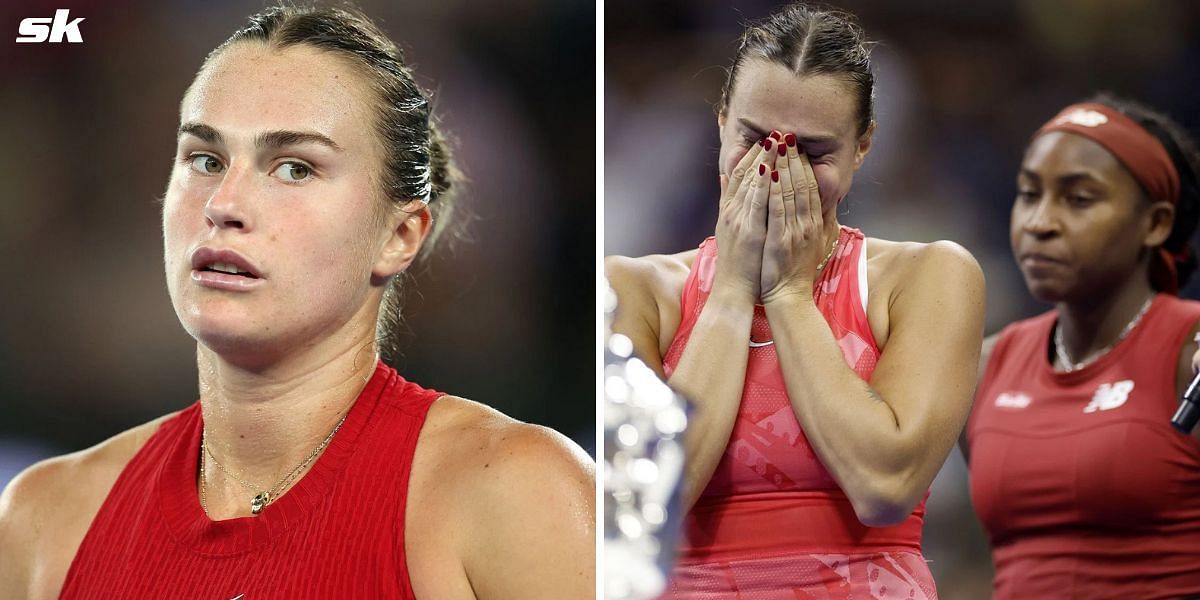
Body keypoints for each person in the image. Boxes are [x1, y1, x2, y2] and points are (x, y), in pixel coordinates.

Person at [0, 6, 594, 599]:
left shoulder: (517, 493)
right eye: (205, 160)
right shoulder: (43, 520)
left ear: (399, 236)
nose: (224, 203)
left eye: (294, 167)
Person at [605, 3, 984, 597]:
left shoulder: (928, 276)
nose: (777, 171)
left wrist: (787, 291)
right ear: (721, 122)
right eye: (755, 140)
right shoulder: (635, 290)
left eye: (813, 152)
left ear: (863, 147)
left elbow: (884, 485)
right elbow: (650, 507)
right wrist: (730, 289)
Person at [965, 94, 1200, 598]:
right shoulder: (985, 365)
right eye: (1029, 194)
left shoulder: (1191, 352)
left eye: (1079, 199)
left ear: (1155, 223)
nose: (1039, 223)